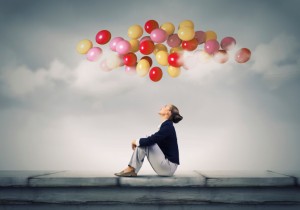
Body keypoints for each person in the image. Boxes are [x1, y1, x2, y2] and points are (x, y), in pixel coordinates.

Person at [114, 104, 183, 177]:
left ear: (168, 113)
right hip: (167, 167)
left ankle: (131, 169)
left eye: (165, 106)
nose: (162, 106)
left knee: (146, 142)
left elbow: (152, 139)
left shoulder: (168, 126)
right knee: (144, 143)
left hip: (168, 167)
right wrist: (139, 142)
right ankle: (131, 169)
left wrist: (135, 141)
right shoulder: (167, 125)